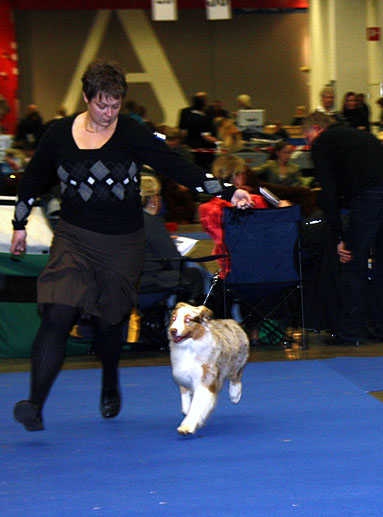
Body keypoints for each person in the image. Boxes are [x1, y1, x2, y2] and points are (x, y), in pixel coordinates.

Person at [10, 59, 253, 432]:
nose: (109, 113)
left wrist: (225, 190)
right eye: (101, 105)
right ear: (86, 98)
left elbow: (177, 166)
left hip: (122, 244)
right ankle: (35, 405)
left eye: (115, 105)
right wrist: (19, 224)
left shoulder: (132, 133)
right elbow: (32, 179)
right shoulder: (58, 134)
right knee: (57, 313)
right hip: (74, 238)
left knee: (110, 324)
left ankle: (109, 378)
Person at [303, 112, 383, 345]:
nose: (307, 144)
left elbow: (328, 192)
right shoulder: (358, 134)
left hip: (371, 193)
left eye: (306, 137)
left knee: (353, 262)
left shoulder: (322, 143)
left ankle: (352, 332)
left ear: (317, 128)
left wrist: (338, 237)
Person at [138, 175, 207, 305]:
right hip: (150, 283)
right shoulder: (152, 223)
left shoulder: (124, 221)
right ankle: (188, 313)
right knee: (195, 274)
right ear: (153, 199)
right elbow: (173, 259)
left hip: (125, 282)